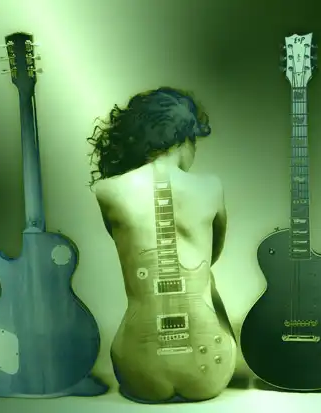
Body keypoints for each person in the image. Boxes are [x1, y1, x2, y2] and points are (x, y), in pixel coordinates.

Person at [89, 87, 235, 403]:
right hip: (208, 370)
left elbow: (126, 252)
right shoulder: (211, 186)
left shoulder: (107, 190)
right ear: (186, 138)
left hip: (138, 368)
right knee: (206, 280)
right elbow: (212, 255)